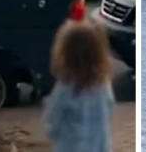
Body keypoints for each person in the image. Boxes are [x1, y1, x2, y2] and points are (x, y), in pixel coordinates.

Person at [43, 20, 114, 152]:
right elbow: (109, 110)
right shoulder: (103, 84)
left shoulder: (65, 86)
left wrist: (51, 130)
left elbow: (54, 120)